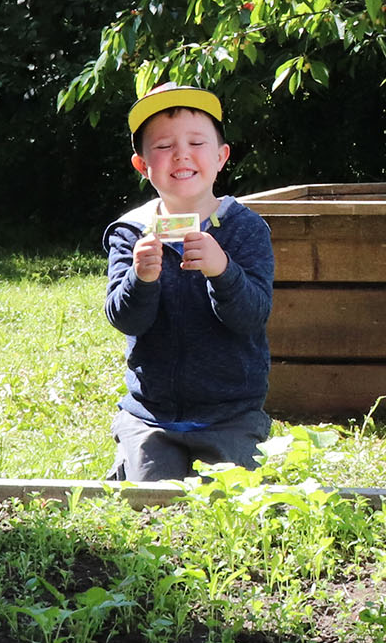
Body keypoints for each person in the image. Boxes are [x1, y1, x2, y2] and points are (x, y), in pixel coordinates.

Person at [102, 84, 275, 482]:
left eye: (196, 142)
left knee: (228, 503)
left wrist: (223, 270)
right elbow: (125, 319)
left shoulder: (245, 228)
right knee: (149, 502)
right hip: (151, 414)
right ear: (142, 165)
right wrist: (141, 278)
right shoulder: (131, 232)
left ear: (221, 156)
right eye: (164, 146)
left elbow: (253, 316)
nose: (181, 154)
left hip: (231, 413)